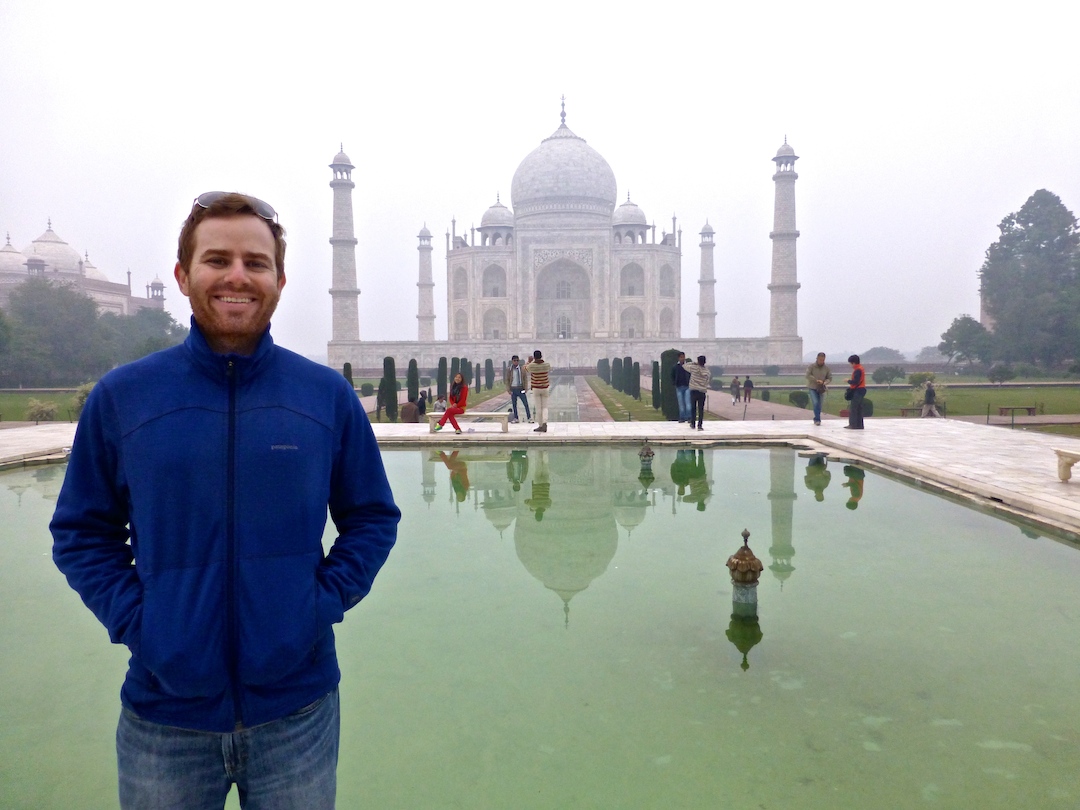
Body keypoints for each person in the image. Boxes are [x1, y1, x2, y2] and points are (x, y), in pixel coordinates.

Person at [49, 191, 400, 809]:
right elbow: (82, 533)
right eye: (217, 259)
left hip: (297, 712)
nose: (237, 276)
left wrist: (313, 608)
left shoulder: (323, 396)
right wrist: (144, 626)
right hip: (166, 718)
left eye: (255, 263)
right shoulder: (126, 397)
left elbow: (371, 518)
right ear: (183, 275)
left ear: (279, 281)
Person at [525, 349, 551, 433]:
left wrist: (529, 361)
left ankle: (540, 425)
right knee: (545, 407)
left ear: (534, 357)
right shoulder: (546, 365)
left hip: (536, 388)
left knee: (538, 408)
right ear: (541, 356)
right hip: (545, 388)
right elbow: (549, 367)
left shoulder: (532, 365)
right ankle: (545, 422)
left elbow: (525, 368)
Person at [805, 352, 832, 426]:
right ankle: (817, 419)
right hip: (813, 387)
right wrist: (816, 380)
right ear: (817, 358)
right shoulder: (811, 367)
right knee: (815, 403)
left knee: (819, 404)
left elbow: (829, 378)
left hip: (821, 388)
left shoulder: (826, 368)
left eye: (823, 360)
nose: (821, 361)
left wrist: (824, 382)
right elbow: (807, 375)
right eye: (820, 360)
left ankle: (817, 418)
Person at [504, 354, 532, 424]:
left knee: (525, 404)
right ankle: (516, 418)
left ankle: (529, 418)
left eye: (517, 360)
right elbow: (507, 380)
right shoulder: (509, 369)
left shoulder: (522, 369)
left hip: (520, 389)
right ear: (512, 361)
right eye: (515, 360)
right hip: (513, 389)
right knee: (514, 405)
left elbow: (525, 379)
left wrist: (526, 388)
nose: (516, 362)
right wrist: (508, 390)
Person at [687, 355, 711, 431]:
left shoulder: (694, 368)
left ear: (698, 361)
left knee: (693, 408)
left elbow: (685, 365)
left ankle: (693, 423)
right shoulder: (707, 372)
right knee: (701, 409)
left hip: (694, 390)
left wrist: (694, 363)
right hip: (702, 391)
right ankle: (700, 425)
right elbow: (707, 381)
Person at [845, 354, 867, 429]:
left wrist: (848, 381)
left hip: (858, 390)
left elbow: (856, 381)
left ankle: (853, 424)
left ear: (853, 363)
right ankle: (859, 425)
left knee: (853, 408)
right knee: (859, 408)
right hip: (862, 389)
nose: (850, 365)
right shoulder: (861, 368)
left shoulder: (857, 370)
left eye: (850, 363)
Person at [672, 352, 692, 422]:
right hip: (679, 387)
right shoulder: (675, 367)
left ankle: (689, 417)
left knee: (688, 402)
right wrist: (674, 383)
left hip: (687, 387)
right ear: (678, 358)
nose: (682, 358)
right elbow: (672, 375)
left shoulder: (688, 366)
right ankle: (682, 417)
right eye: (681, 357)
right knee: (681, 404)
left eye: (683, 357)